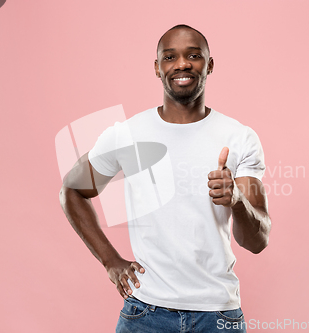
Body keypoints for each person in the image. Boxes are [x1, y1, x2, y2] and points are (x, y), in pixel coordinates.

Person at [59, 24, 272, 333]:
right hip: (146, 315)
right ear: (157, 68)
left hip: (218, 316)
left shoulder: (240, 138)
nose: (182, 64)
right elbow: (72, 190)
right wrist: (110, 261)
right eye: (169, 57)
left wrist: (237, 202)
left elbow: (257, 241)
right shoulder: (128, 134)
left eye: (194, 55)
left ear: (209, 64)